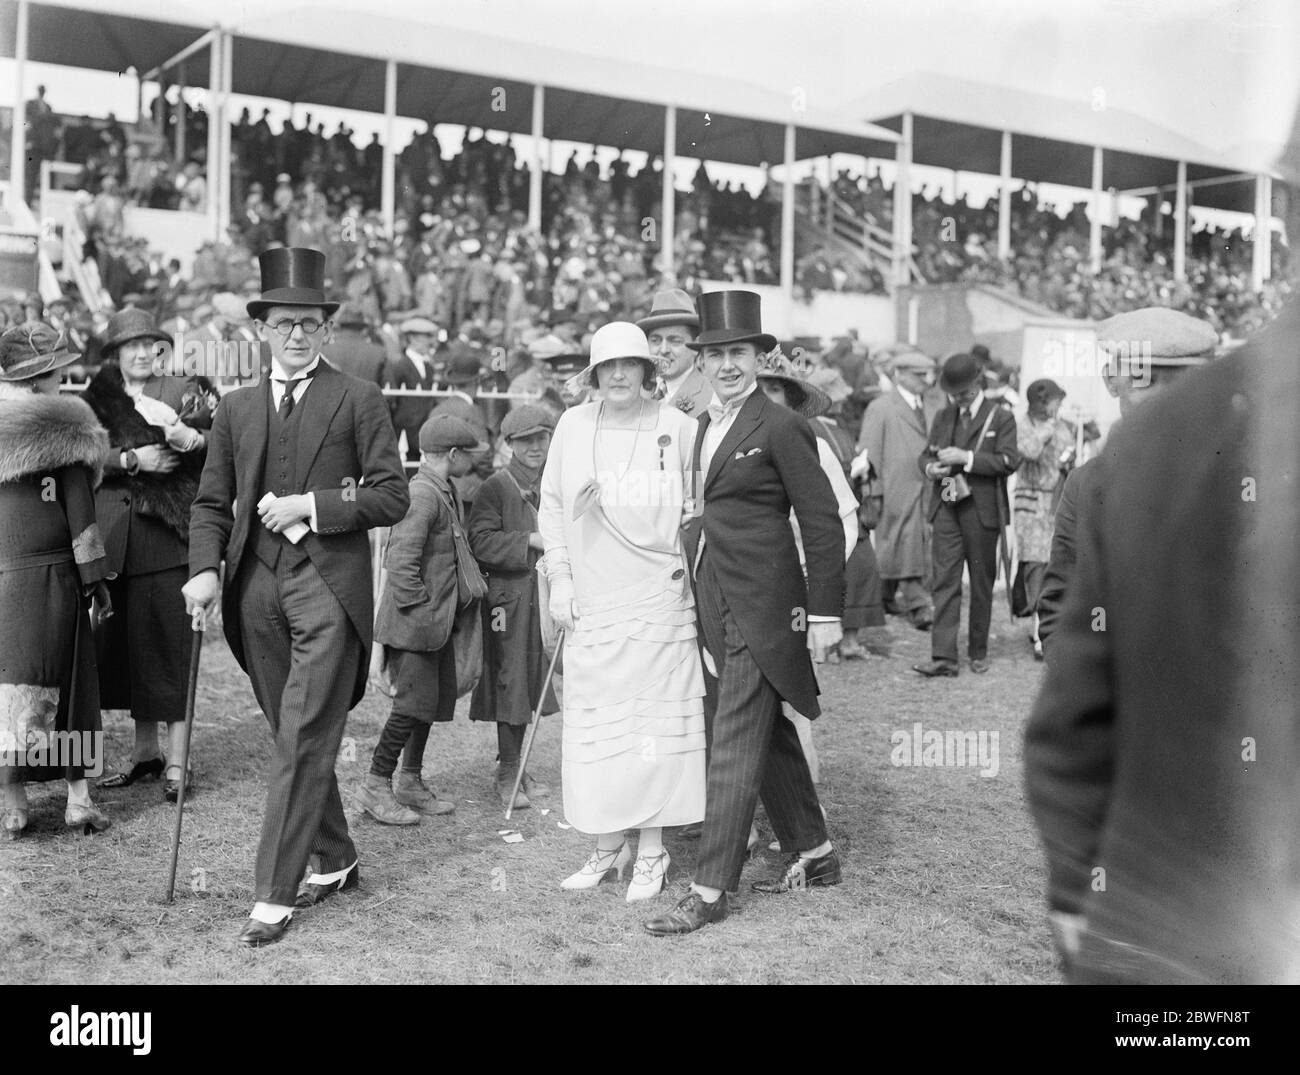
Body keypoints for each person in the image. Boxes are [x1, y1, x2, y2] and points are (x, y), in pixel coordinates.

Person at [1024, 300, 1299, 983]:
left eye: (1142, 379)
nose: (1130, 394)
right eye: (1128, 380)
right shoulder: (1103, 475)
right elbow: (1065, 610)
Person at [182, 248, 409, 947]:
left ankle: (274, 894)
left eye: (310, 323)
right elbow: (212, 502)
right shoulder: (239, 407)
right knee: (294, 735)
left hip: (327, 588)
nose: (298, 335)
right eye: (284, 324)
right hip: (254, 591)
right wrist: (203, 570)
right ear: (262, 329)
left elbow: (391, 494)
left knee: (304, 734)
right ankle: (336, 857)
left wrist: (315, 503)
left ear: (326, 328)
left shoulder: (358, 399)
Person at [643, 291, 844, 936]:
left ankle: (709, 889)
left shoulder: (782, 426)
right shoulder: (709, 423)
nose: (727, 365)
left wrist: (824, 615)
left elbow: (822, 522)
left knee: (731, 738)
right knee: (767, 730)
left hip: (767, 607)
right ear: (701, 363)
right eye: (716, 355)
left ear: (760, 357)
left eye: (739, 353)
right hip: (715, 598)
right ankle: (814, 853)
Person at [539, 321, 706, 903]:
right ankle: (609, 847)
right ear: (593, 374)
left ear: (647, 371)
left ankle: (653, 851)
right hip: (591, 605)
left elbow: (701, 509)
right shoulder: (572, 425)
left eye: (629, 365)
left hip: (659, 604)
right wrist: (560, 581)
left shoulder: (679, 428)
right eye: (607, 367)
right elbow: (552, 508)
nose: (618, 376)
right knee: (595, 731)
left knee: (652, 731)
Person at [82, 308, 215, 801]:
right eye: (130, 345)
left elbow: (218, 449)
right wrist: (130, 460)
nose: (141, 353)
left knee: (170, 649)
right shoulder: (95, 400)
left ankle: (177, 764)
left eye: (150, 344)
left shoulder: (187, 389)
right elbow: (80, 457)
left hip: (168, 537)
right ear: (114, 353)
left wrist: (188, 437)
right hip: (117, 539)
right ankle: (145, 756)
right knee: (129, 651)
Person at [1036, 310, 1214, 654]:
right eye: (1142, 380)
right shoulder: (1086, 485)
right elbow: (1059, 607)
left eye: (1177, 384)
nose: (1158, 400)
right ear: (1111, 381)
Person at [0, 323, 113, 839]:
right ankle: (77, 798)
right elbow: (81, 517)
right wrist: (95, 580)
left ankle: (14, 802)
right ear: (47, 375)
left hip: (4, 573)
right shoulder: (67, 426)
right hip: (53, 575)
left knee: (6, 686)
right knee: (72, 684)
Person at [364, 414, 486, 825]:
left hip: (434, 625)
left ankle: (410, 781)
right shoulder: (422, 494)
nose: (470, 460)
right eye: (466, 453)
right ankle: (375, 785)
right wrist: (423, 610)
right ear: (452, 454)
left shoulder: (442, 490)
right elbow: (399, 563)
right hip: (417, 625)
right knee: (409, 706)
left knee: (426, 705)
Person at [755, 348, 857, 789]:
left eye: (773, 388)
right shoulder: (721, 441)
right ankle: (736, 815)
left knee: (791, 704)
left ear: (792, 399)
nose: (763, 396)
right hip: (735, 588)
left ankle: (803, 813)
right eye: (756, 386)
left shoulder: (812, 446)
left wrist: (814, 585)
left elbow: (843, 525)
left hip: (790, 591)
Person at [467, 404, 559, 808]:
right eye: (525, 440)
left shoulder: (554, 481)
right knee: (511, 681)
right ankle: (507, 773)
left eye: (541, 437)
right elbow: (480, 543)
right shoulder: (496, 487)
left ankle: (517, 764)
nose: (535, 447)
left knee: (532, 680)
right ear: (510, 444)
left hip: (544, 593)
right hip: (507, 600)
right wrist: (529, 541)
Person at [913, 352, 1020, 677]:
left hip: (981, 509)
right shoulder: (943, 416)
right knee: (944, 582)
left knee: (981, 583)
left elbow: (1009, 461)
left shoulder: (1001, 417)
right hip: (946, 503)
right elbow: (924, 455)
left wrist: (968, 457)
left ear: (979, 383)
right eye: (954, 393)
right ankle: (944, 657)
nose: (959, 399)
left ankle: (978, 651)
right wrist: (931, 467)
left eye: (965, 392)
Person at [856, 347, 940, 634]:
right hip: (893, 488)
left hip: (926, 486)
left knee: (908, 542)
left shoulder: (930, 405)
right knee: (901, 541)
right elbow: (868, 452)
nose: (924, 380)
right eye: (917, 375)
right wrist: (873, 491)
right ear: (899, 375)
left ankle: (884, 595)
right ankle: (918, 603)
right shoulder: (881, 407)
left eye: (926, 374)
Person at [1012, 378, 1073, 660]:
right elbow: (1030, 451)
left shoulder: (1061, 425)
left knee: (1053, 564)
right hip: (1031, 503)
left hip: (1055, 501)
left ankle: (1045, 624)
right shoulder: (1022, 425)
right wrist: (1048, 430)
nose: (1059, 405)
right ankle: (1039, 631)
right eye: (1055, 400)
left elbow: (1068, 452)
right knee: (1035, 565)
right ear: (1042, 401)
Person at [636, 288, 714, 417]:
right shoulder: (638, 392)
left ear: (695, 347)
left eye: (675, 341)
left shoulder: (712, 398)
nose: (663, 350)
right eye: (656, 341)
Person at [383, 315, 441, 463]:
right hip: (404, 431)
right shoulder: (400, 365)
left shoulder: (428, 367)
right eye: (426, 337)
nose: (430, 342)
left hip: (423, 430)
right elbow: (391, 400)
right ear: (412, 338)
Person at [323, 304, 386, 385]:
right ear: (364, 329)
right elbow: (389, 391)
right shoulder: (379, 353)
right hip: (368, 397)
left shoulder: (323, 352)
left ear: (338, 327)